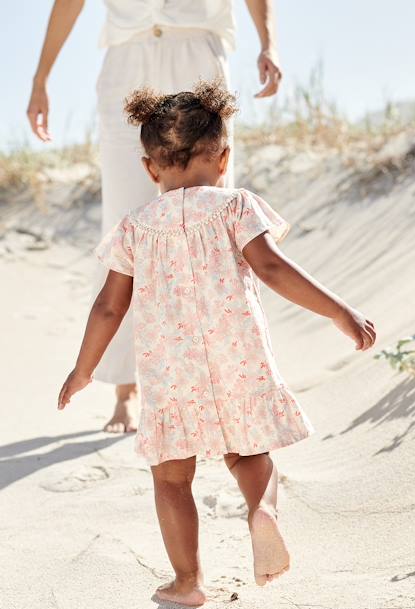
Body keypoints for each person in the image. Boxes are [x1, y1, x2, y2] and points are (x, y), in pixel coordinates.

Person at [57, 79, 376, 606]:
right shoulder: (235, 207)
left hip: (169, 373)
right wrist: (340, 311)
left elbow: (109, 306)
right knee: (249, 452)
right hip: (238, 357)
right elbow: (273, 268)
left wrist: (84, 369)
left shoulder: (135, 228)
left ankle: (187, 582)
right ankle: (263, 512)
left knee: (172, 479)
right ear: (224, 158)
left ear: (149, 167)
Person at [28, 0, 283, 434]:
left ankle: (230, 380)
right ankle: (125, 388)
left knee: (217, 225)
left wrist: (269, 43)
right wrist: (41, 77)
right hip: (128, 59)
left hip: (198, 50)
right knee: (125, 224)